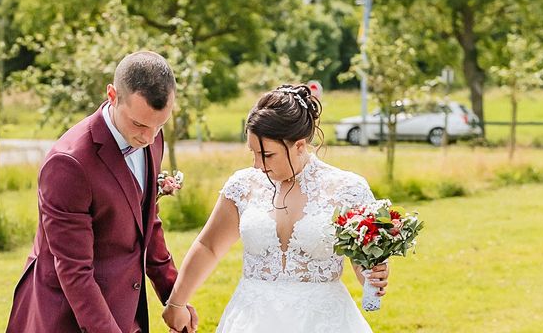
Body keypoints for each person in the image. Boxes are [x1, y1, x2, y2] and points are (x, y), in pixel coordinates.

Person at [161, 84, 388, 332]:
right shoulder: (243, 185)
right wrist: (176, 303)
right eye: (253, 153)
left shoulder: (347, 188)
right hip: (252, 319)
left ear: (299, 146)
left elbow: (363, 264)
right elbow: (209, 247)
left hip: (322, 322)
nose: (258, 165)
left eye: (267, 155)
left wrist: (373, 274)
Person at [6, 51, 197, 333]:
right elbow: (74, 271)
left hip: (126, 310)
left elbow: (147, 222)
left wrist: (174, 297)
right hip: (65, 317)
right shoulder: (68, 163)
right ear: (112, 95)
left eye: (160, 125)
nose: (149, 138)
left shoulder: (152, 137)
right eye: (139, 124)